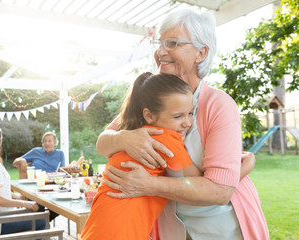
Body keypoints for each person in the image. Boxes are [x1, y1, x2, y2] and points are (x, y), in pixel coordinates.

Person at [96, 9, 269, 240]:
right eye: (160, 43)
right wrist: (122, 138)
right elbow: (102, 143)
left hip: (220, 230)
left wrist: (148, 185)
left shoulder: (219, 106)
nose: (160, 51)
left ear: (200, 53)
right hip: (172, 231)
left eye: (173, 43)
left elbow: (219, 191)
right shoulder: (151, 97)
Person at [81, 72, 202, 240]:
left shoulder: (130, 133)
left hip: (97, 229)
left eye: (190, 113)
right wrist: (241, 169)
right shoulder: (166, 137)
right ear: (149, 115)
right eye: (178, 116)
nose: (187, 122)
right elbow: (198, 180)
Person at [0, 123, 45, 237]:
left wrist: (16, 197)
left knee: (36, 212)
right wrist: (25, 203)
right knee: (41, 220)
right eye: (0, 139)